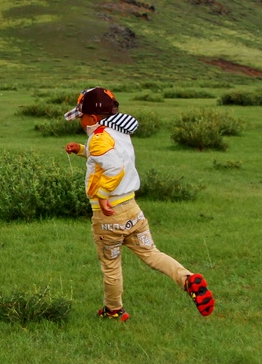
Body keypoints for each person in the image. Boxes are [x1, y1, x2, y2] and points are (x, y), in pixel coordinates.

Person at [63, 87, 214, 322]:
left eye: (80, 116)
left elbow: (114, 167)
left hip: (109, 216)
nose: (79, 120)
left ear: (92, 118)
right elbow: (111, 158)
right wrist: (82, 150)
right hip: (132, 210)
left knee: (111, 266)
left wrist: (102, 195)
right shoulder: (118, 132)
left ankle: (113, 310)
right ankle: (187, 279)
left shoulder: (99, 139)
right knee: (152, 253)